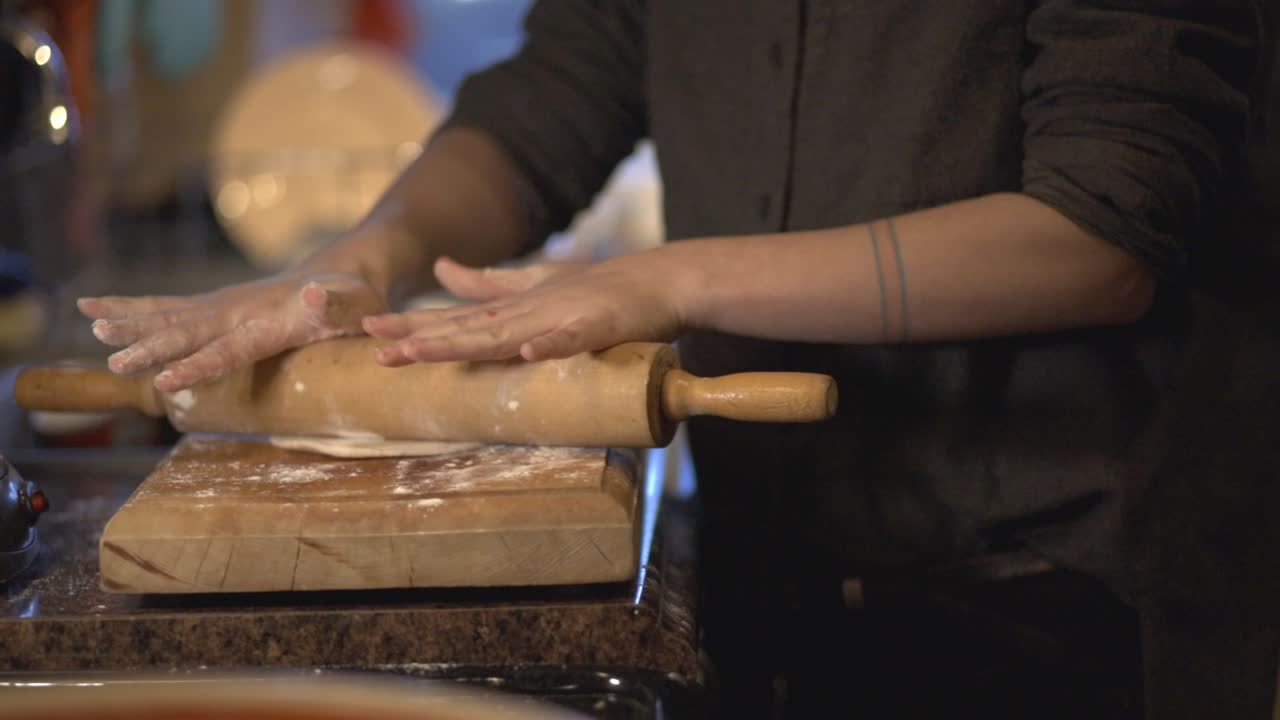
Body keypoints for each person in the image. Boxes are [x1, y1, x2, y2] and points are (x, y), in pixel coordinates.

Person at [80, 2, 1278, 718]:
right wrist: (365, 255)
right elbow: (558, 92)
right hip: (770, 552)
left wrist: (666, 278)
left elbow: (1096, 233)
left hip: (1066, 588)